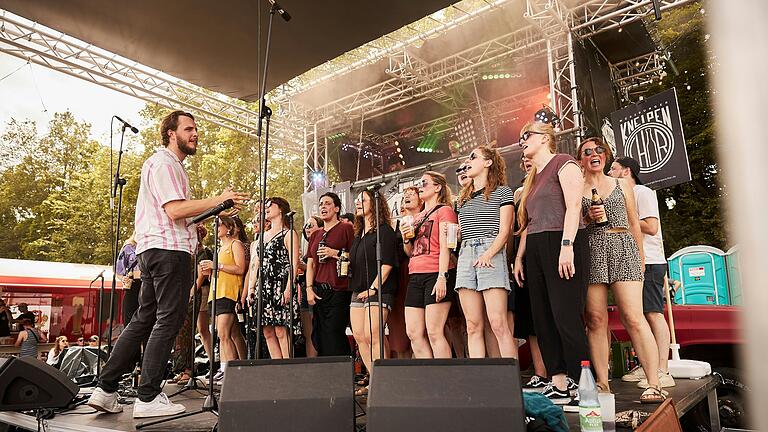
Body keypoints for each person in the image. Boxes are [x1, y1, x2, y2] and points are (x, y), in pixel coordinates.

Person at [87, 110, 248, 418]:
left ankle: (105, 389)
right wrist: (218, 201)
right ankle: (147, 397)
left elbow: (175, 214)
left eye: (196, 130)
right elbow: (174, 210)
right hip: (167, 252)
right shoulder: (165, 163)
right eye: (189, 129)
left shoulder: (167, 166)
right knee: (168, 319)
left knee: (144, 318)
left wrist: (196, 222)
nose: (195, 134)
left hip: (154, 251)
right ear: (171, 133)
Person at [579, 138, 665, 403]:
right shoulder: (576, 188)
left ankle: (654, 382)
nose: (594, 154)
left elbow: (634, 224)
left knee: (634, 317)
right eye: (587, 152)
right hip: (592, 250)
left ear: (606, 156)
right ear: (580, 159)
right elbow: (573, 222)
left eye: (599, 150)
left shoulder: (621, 183)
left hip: (622, 246)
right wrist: (586, 218)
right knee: (595, 320)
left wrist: (640, 259)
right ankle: (603, 385)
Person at [513, 121, 590, 405]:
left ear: (545, 138)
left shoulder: (564, 162)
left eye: (527, 135)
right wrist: (520, 257)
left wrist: (567, 246)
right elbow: (529, 222)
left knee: (565, 316)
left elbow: (573, 206)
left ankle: (583, 384)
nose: (522, 140)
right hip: (535, 245)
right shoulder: (531, 177)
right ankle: (558, 381)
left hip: (561, 240)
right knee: (543, 317)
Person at [609, 156, 676, 390]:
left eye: (613, 168)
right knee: (634, 316)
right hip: (629, 260)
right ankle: (646, 364)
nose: (609, 172)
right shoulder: (617, 193)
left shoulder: (642, 192)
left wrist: (622, 221)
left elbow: (651, 226)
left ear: (627, 171)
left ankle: (662, 369)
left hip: (649, 260)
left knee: (653, 313)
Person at [455, 146, 517, 359]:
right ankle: (478, 379)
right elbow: (462, 234)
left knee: (498, 323)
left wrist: (489, 254)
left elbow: (505, 230)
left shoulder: (503, 192)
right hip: (466, 253)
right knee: (472, 324)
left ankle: (510, 379)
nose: (468, 161)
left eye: (473, 157)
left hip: (490, 249)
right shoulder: (462, 199)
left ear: (488, 163)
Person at [401, 171, 457, 359]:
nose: (420, 186)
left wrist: (442, 277)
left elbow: (446, 246)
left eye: (424, 182)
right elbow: (410, 253)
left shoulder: (444, 211)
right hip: (415, 273)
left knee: (434, 331)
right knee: (413, 333)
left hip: (436, 272)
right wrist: (406, 240)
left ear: (437, 187)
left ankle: (444, 379)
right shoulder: (417, 217)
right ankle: (429, 376)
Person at [349, 189, 398, 396]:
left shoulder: (384, 231)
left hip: (379, 289)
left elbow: (387, 264)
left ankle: (385, 382)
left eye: (363, 199)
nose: (358, 202)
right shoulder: (358, 234)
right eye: (357, 200)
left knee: (374, 334)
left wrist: (374, 288)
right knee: (360, 336)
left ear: (375, 204)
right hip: (358, 289)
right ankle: (375, 380)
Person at [247, 197, 302, 359]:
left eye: (271, 205)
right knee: (267, 330)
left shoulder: (289, 233)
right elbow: (255, 264)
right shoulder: (261, 237)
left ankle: (288, 365)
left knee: (280, 328)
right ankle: (277, 366)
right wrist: (251, 287)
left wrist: (288, 288)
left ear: (281, 209)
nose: (267, 208)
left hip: (280, 283)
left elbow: (294, 263)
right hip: (263, 286)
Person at [513, 155, 548, 391]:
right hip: (522, 258)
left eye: (531, 158)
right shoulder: (519, 192)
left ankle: (564, 370)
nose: (527, 161)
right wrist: (514, 258)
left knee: (550, 314)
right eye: (524, 159)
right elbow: (519, 228)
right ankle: (540, 372)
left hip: (545, 250)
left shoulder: (548, 183)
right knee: (531, 318)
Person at [306, 192, 355, 356]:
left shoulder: (346, 228)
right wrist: (309, 288)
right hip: (319, 290)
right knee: (319, 334)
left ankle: (343, 372)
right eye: (321, 204)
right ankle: (327, 373)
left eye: (327, 203)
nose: (323, 207)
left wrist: (335, 253)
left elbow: (355, 257)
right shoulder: (315, 234)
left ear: (337, 208)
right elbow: (311, 263)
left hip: (339, 288)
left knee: (334, 332)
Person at [202, 216, 247, 383]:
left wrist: (217, 266)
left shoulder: (235, 244)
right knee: (233, 333)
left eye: (219, 225)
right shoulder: (220, 248)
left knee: (223, 333)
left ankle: (229, 370)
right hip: (217, 292)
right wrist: (210, 271)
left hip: (229, 292)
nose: (216, 227)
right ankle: (241, 366)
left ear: (228, 228)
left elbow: (240, 268)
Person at [297, 216, 323, 357]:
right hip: (305, 291)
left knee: (315, 331)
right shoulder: (306, 248)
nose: (307, 227)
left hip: (316, 290)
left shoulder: (322, 243)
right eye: (306, 225)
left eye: (311, 225)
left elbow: (317, 268)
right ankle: (310, 364)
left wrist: (302, 265)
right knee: (308, 333)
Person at [116, 234, 141, 326]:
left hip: (149, 283)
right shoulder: (129, 247)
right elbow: (118, 270)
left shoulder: (152, 245)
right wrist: (123, 278)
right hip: (133, 283)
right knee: (129, 316)